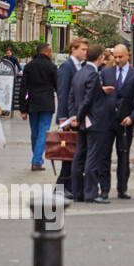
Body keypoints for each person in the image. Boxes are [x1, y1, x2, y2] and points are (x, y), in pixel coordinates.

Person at [103, 44, 134, 199]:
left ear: (127, 56)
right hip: (107, 121)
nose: (117, 60)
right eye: (115, 57)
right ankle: (104, 189)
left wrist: (133, 117)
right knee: (105, 156)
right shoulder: (106, 72)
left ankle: (122, 189)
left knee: (123, 155)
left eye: (120, 57)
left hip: (125, 122)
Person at [70, 44, 112, 204]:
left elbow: (73, 96)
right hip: (94, 121)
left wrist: (75, 117)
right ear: (100, 57)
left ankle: (77, 192)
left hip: (82, 122)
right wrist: (79, 117)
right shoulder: (93, 75)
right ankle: (91, 193)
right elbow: (88, 100)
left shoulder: (80, 73)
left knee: (79, 156)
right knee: (92, 158)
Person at [54, 38, 88, 197]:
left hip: (75, 116)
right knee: (67, 152)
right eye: (83, 49)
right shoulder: (67, 67)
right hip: (68, 117)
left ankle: (67, 185)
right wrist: (62, 117)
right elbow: (63, 92)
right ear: (73, 49)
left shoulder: (80, 66)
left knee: (72, 152)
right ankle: (61, 186)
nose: (85, 52)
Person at [19, 43, 58, 172]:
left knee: (35, 132)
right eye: (50, 52)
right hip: (47, 102)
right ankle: (36, 161)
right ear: (46, 52)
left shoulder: (29, 67)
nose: (51, 54)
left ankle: (38, 159)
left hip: (33, 102)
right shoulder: (52, 67)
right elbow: (58, 87)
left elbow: (23, 88)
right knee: (43, 131)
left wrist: (22, 109)